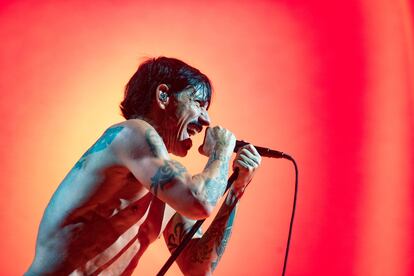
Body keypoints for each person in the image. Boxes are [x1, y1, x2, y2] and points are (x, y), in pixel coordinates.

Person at [26, 57, 261, 275]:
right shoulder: (132, 133)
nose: (206, 120)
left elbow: (197, 266)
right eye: (198, 103)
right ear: (163, 96)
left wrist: (236, 189)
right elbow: (199, 202)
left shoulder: (168, 189)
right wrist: (221, 150)